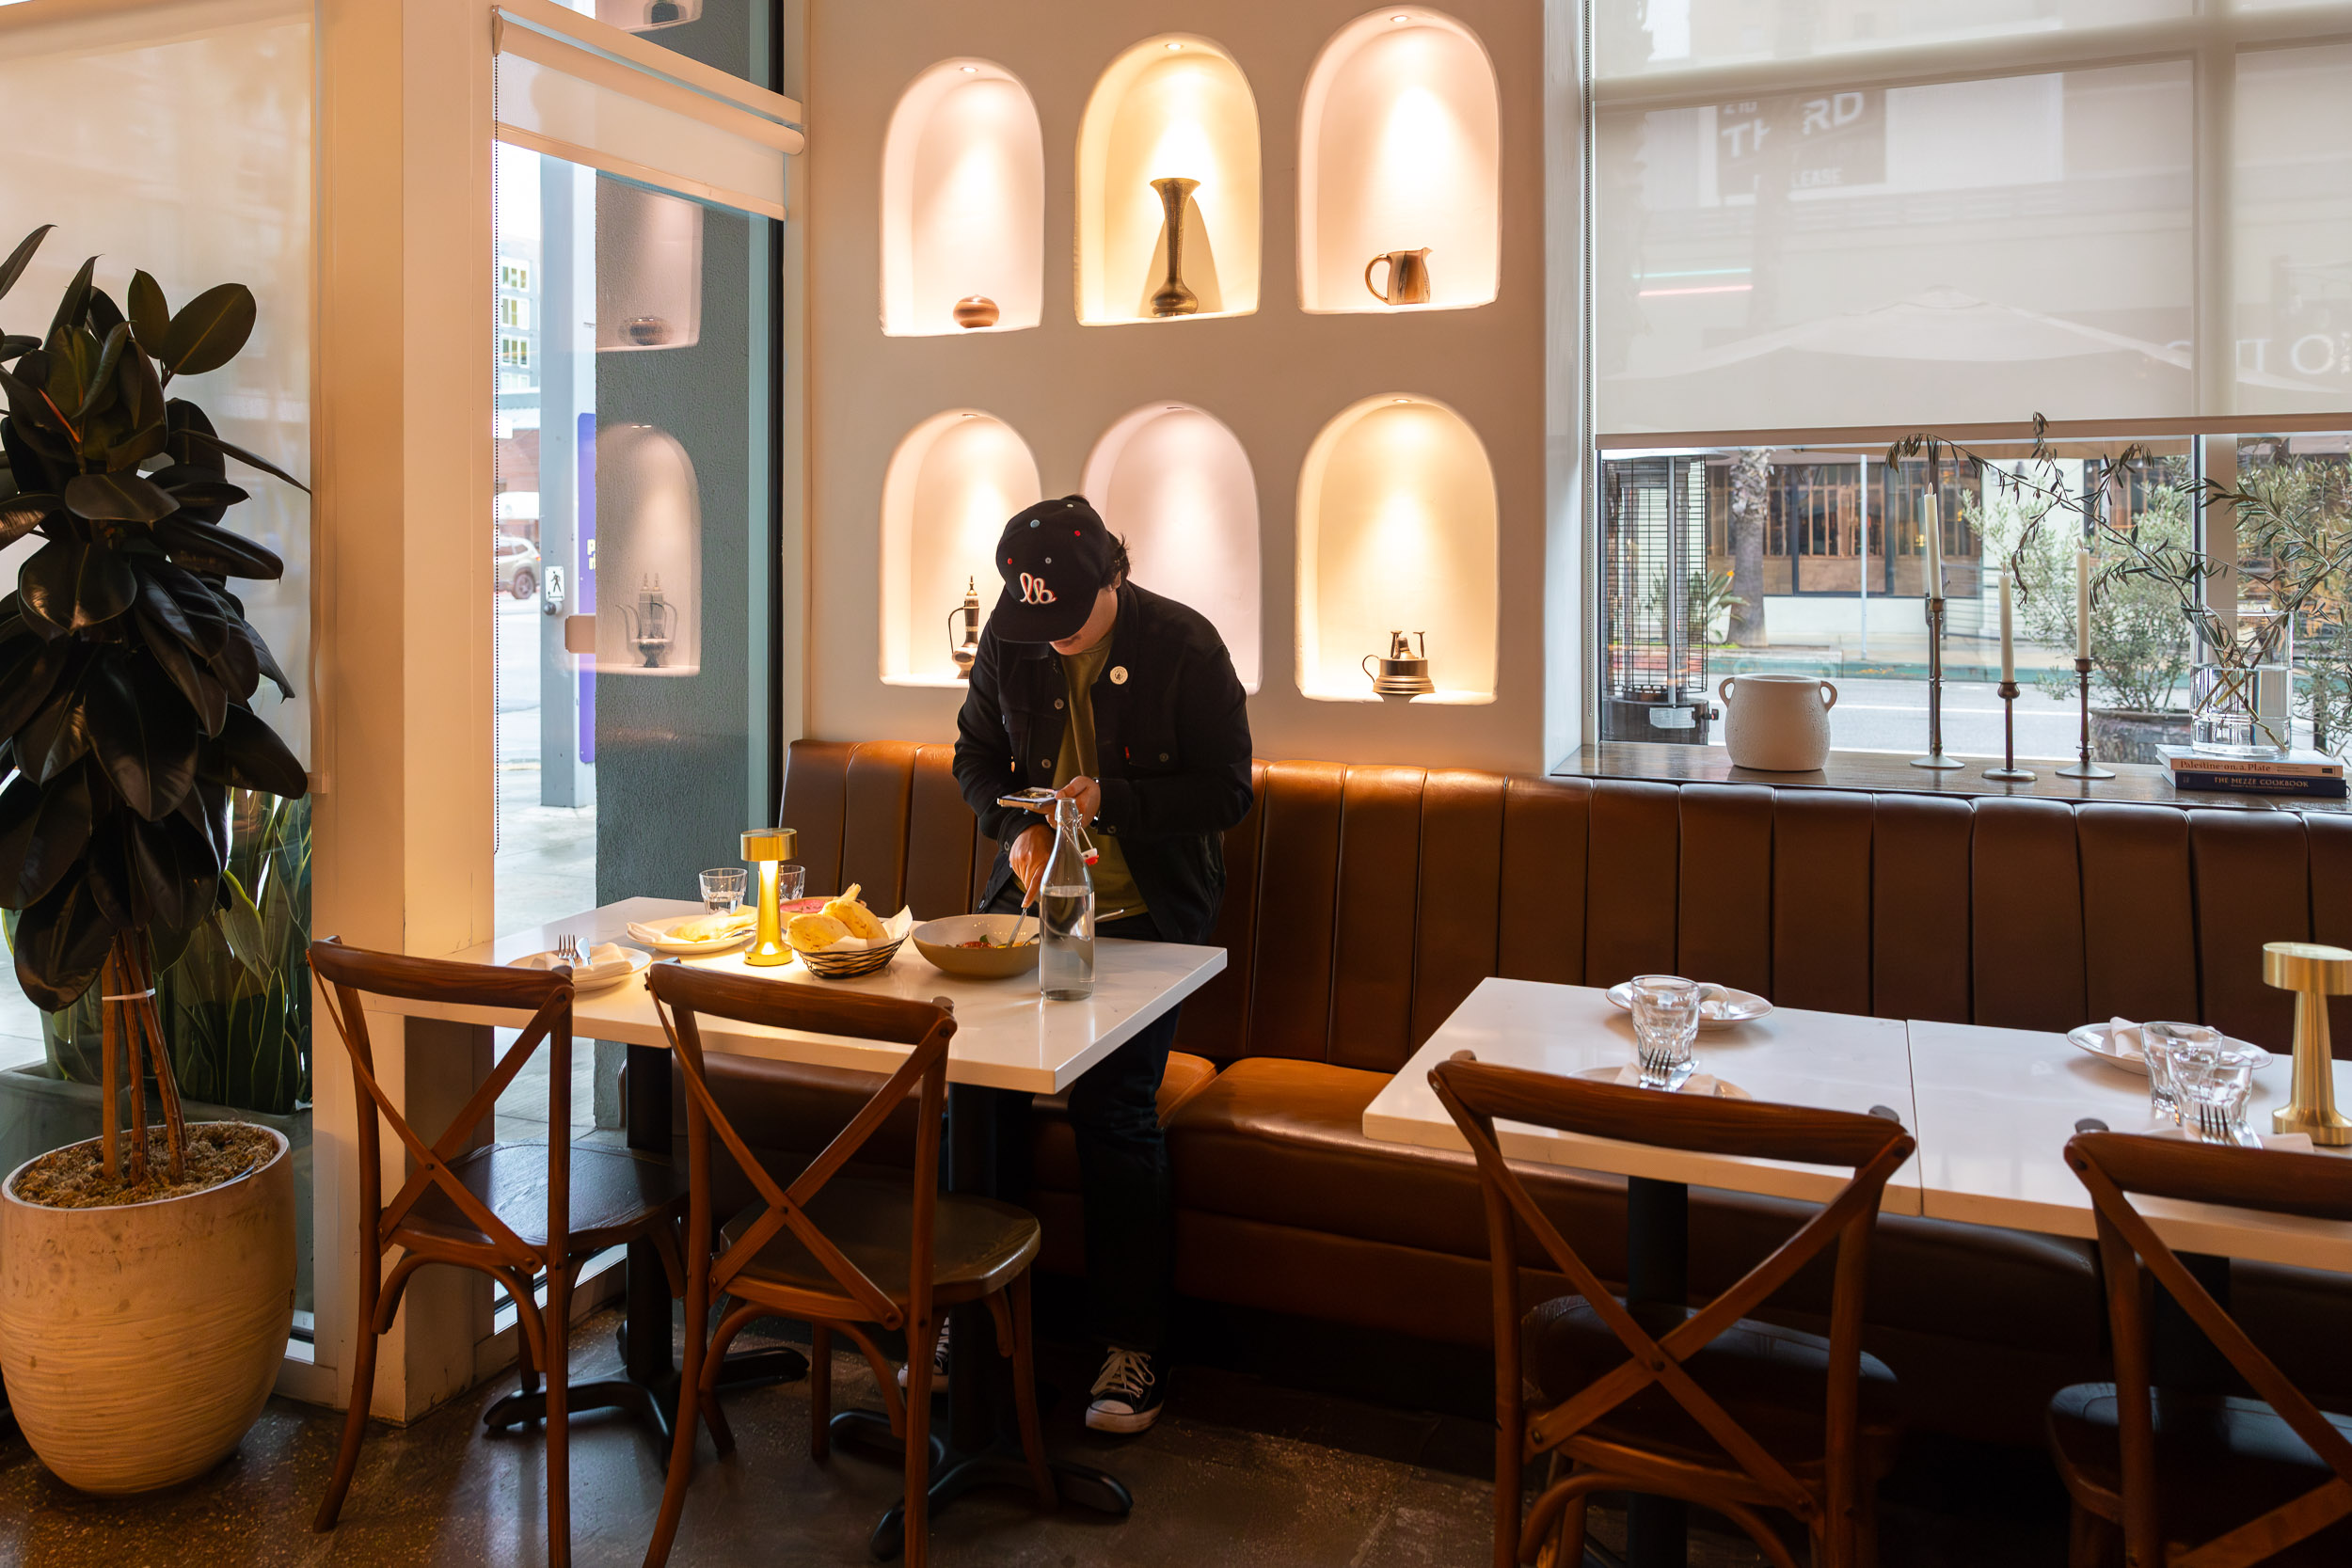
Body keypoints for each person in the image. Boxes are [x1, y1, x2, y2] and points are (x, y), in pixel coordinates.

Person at [953, 494, 1253, 1433]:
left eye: (1068, 619)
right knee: (975, 1083)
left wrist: (1112, 798)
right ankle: (976, 1320)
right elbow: (974, 755)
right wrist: (1012, 830)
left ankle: (1133, 1346)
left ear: (1114, 576)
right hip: (1034, 905)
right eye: (1034, 620)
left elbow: (1228, 791)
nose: (1051, 639)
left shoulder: (1186, 647)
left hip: (1149, 911)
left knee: (1114, 1100)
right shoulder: (1012, 637)